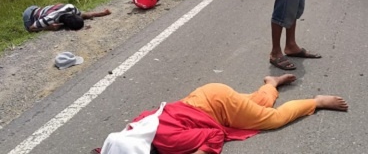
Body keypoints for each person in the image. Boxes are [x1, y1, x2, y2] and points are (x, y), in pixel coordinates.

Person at [98, 74, 348, 154]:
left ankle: (315, 101)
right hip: (208, 97)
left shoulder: (166, 142)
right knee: (256, 105)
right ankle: (271, 83)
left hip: (219, 106)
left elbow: (213, 135)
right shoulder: (133, 131)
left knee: (273, 119)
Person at [23, 3, 111, 32]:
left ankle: (43, 14)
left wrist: (103, 13)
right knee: (36, 30)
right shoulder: (50, 19)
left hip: (43, 10)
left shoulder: (71, 8)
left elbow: (85, 15)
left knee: (57, 27)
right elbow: (30, 29)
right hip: (29, 15)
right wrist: (48, 28)